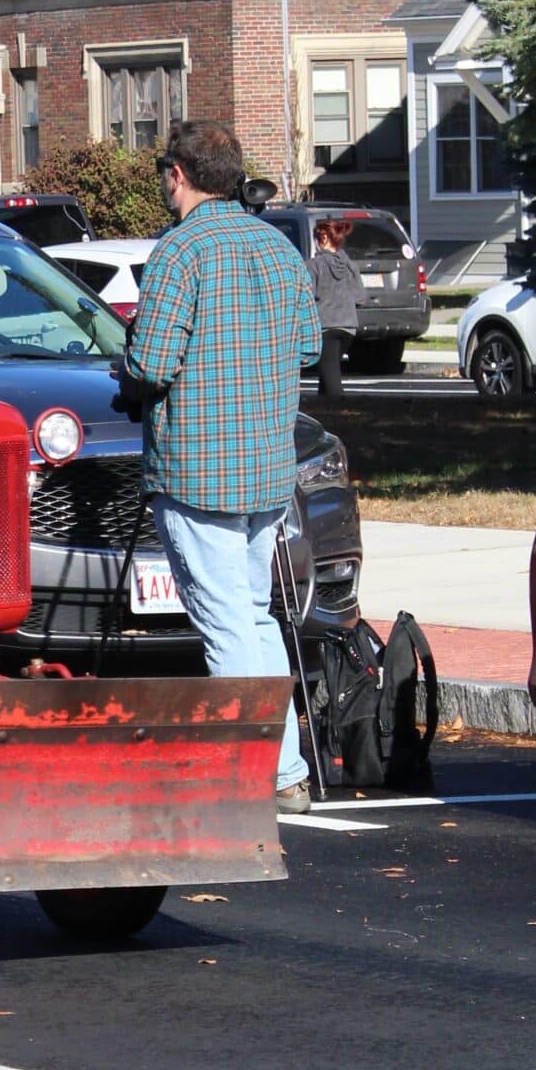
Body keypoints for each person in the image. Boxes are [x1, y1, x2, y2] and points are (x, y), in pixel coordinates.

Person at [124, 121, 322, 816]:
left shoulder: (180, 251)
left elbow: (151, 364)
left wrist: (130, 368)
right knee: (255, 618)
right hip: (266, 467)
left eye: (164, 173)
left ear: (178, 174)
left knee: (227, 625)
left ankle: (256, 769)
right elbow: (308, 347)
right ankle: (286, 769)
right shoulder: (278, 248)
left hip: (198, 470)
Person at [309, 214, 361, 405]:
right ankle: (324, 411)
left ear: (323, 238)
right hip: (349, 327)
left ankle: (343, 413)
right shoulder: (351, 266)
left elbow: (307, 296)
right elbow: (360, 297)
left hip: (325, 328)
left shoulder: (314, 266)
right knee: (327, 375)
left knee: (332, 382)